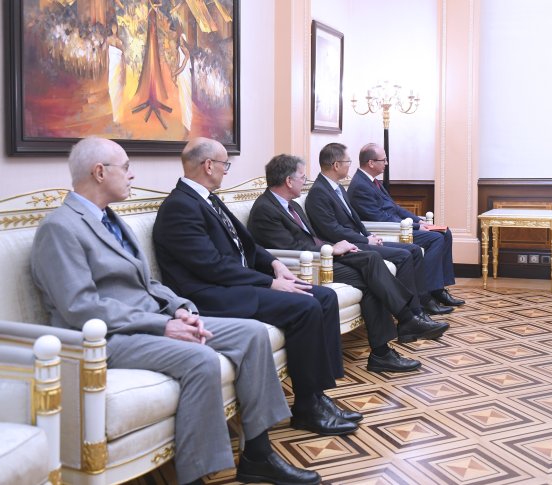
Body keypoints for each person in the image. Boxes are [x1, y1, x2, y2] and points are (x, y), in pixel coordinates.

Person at [30, 137, 320, 485]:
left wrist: (180, 308)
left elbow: (146, 282)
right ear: (99, 172)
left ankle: (258, 455)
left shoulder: (111, 219)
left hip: (150, 321)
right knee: (201, 359)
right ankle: (193, 476)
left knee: (253, 334)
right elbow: (82, 308)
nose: (132, 175)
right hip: (105, 339)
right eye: (126, 168)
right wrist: (163, 325)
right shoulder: (60, 228)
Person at [153, 137, 360, 438]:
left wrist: (273, 263)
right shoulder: (180, 207)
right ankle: (306, 408)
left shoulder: (208, 198)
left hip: (235, 283)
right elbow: (211, 267)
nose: (226, 170)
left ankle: (318, 395)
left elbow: (247, 244)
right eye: (225, 164)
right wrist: (270, 282)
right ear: (208, 165)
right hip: (210, 295)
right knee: (304, 306)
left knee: (325, 296)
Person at [248, 154, 450, 371]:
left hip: (322, 256)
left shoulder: (293, 206)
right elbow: (292, 249)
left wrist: (336, 246)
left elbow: (312, 238)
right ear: (289, 181)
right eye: (302, 177)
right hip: (306, 266)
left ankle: (387, 348)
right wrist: (331, 249)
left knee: (372, 267)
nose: (305, 182)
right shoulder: (265, 210)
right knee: (371, 268)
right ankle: (402, 325)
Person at [305, 142, 454, 316]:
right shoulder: (320, 192)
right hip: (348, 246)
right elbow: (332, 230)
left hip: (362, 238)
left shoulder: (337, 187)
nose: (350, 165)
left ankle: (422, 304)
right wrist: (365, 239)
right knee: (409, 253)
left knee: (418, 248)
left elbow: (357, 220)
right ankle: (415, 311)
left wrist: (369, 234)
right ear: (336, 165)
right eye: (347, 162)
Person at [348, 143, 464, 308]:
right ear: (371, 163)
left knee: (445, 232)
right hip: (390, 231)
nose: (386, 163)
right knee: (435, 238)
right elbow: (379, 218)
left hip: (402, 226)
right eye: (383, 160)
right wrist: (415, 227)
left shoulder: (372, 181)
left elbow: (395, 208)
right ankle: (427, 294)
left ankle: (438, 289)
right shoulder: (360, 185)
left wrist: (419, 221)